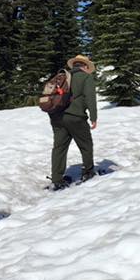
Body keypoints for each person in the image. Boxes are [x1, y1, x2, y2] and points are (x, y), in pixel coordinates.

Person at [50, 54, 98, 190]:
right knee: (86, 144)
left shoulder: (64, 77)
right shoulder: (86, 77)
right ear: (85, 66)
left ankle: (57, 180)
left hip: (57, 117)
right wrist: (94, 117)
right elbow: (90, 98)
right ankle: (88, 173)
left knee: (59, 148)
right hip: (75, 116)